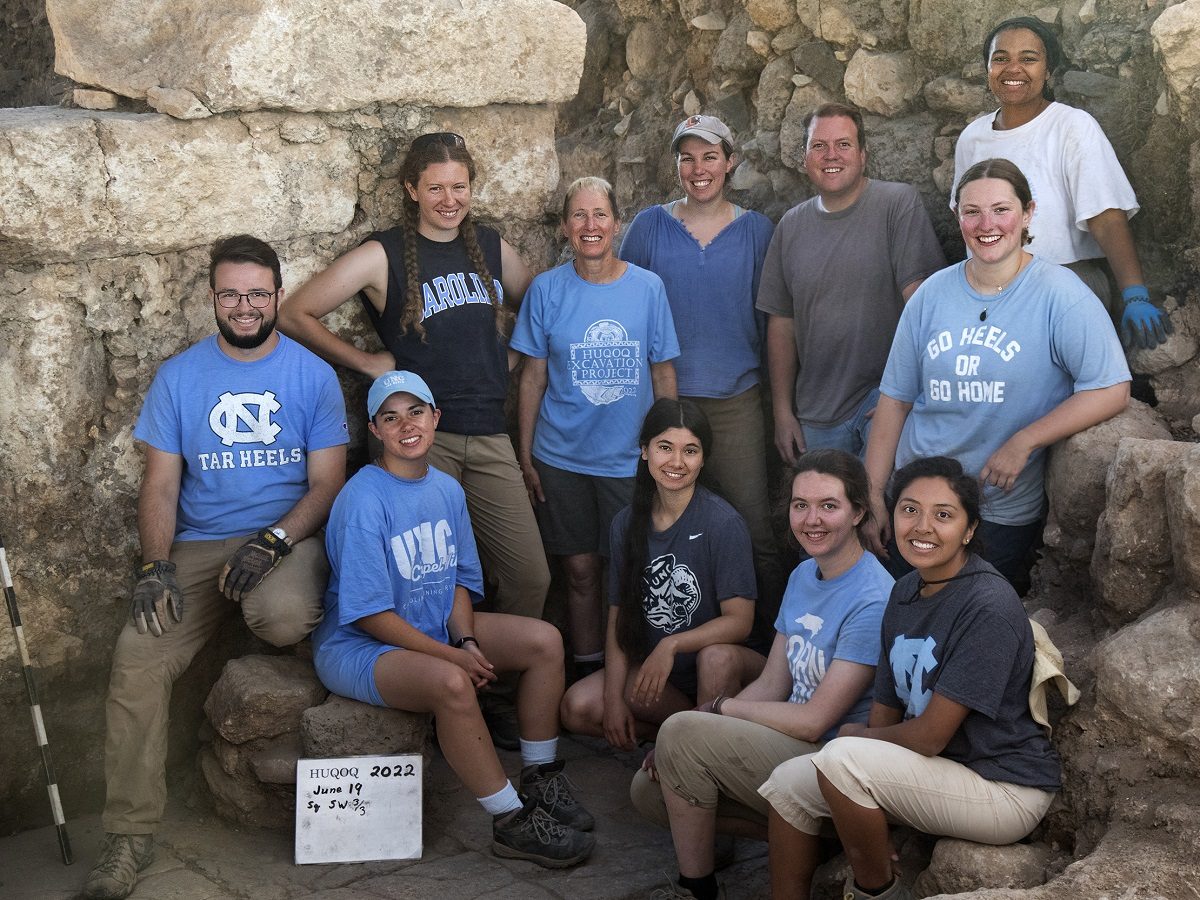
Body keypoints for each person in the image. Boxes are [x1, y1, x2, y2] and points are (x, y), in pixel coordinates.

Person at [85, 235, 349, 900]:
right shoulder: (180, 376)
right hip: (201, 544)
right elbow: (161, 487)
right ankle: (128, 833)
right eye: (231, 292)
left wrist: (277, 539)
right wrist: (155, 565)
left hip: (284, 538)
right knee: (136, 658)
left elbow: (326, 484)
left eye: (258, 292)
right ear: (212, 296)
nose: (245, 304)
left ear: (278, 297)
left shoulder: (311, 375)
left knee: (281, 614)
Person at [278, 131, 548, 747]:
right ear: (412, 190)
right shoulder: (384, 255)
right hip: (420, 440)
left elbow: (543, 302)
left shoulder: (491, 247)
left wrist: (512, 360)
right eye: (436, 188)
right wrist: (366, 362)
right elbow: (296, 313)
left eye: (459, 187)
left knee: (529, 574)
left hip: (489, 432)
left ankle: (487, 686)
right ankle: (439, 685)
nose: (448, 199)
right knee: (424, 576)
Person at [311, 370, 594, 868]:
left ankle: (540, 774)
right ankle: (510, 819)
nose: (406, 426)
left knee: (545, 641)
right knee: (452, 684)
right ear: (374, 430)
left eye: (416, 412)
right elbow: (371, 615)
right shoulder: (363, 499)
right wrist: (452, 657)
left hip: (433, 624)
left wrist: (464, 640)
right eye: (390, 418)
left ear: (436, 418)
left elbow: (459, 580)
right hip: (363, 647)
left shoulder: (445, 489)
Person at [760, 456, 1062, 900]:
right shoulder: (904, 590)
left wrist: (855, 741)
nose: (921, 526)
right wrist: (866, 799)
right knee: (788, 783)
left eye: (943, 515)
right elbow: (886, 712)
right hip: (934, 773)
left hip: (1000, 787)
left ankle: (877, 892)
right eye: (909, 509)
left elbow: (930, 737)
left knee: (842, 757)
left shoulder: (987, 605)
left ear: (970, 529)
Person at [628, 449, 891, 900]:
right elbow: (774, 682)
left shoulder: (873, 596)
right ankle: (802, 838)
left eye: (829, 506)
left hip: (829, 758)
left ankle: (698, 887)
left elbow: (814, 720)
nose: (812, 519)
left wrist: (716, 712)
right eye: (800, 505)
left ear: (858, 513)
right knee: (649, 790)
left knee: (683, 735)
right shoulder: (804, 574)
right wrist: (697, 732)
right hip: (790, 742)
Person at [864, 158, 1130, 591]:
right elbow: (895, 399)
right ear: (958, 217)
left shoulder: (1060, 295)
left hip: (995, 510)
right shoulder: (932, 294)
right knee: (903, 617)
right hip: (916, 501)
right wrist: (876, 495)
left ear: (1027, 213)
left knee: (970, 623)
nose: (987, 224)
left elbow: (1111, 387)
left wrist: (1026, 440)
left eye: (1001, 210)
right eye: (972, 212)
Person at [512, 177, 680, 671]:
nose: (591, 226)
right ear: (565, 227)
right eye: (580, 216)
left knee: (630, 570)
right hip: (561, 458)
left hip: (627, 459)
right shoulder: (546, 290)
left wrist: (668, 448)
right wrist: (525, 456)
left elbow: (663, 370)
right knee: (580, 570)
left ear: (616, 223)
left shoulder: (648, 288)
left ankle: (630, 676)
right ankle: (587, 668)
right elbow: (532, 379)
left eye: (600, 215)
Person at [618, 114, 780, 621]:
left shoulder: (757, 231)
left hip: (736, 403)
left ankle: (768, 644)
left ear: (730, 162)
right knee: (656, 522)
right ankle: (658, 634)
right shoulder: (650, 226)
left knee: (754, 526)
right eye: (686, 157)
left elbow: (775, 320)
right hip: (666, 404)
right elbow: (624, 303)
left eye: (709, 156)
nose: (698, 168)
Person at [953, 16, 1172, 350]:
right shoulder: (972, 138)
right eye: (1001, 59)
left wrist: (1134, 294)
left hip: (1065, 281)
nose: (1013, 68)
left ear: (1048, 71)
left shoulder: (1072, 127)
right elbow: (968, 220)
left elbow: (1106, 216)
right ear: (987, 70)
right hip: (990, 287)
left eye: (1028, 59)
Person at [558, 398, 763, 749]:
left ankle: (700, 751)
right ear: (644, 451)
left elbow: (740, 622)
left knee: (716, 657)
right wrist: (613, 702)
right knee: (577, 708)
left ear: (703, 458)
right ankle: (669, 739)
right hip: (659, 677)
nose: (677, 462)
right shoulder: (626, 523)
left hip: (722, 671)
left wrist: (672, 644)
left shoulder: (723, 522)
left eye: (691, 450)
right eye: (665, 447)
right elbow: (618, 618)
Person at [757, 102, 946, 464]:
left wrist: (912, 393)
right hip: (818, 414)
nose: (831, 155)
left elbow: (922, 304)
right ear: (804, 156)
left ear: (863, 154)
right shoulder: (790, 227)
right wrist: (783, 414)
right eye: (819, 145)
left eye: (843, 145)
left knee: (883, 513)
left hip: (883, 400)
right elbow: (782, 326)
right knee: (827, 519)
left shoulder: (897, 204)